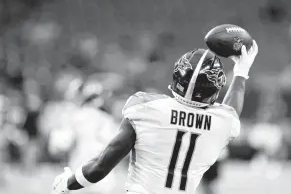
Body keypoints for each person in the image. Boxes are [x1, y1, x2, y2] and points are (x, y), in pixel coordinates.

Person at [52, 41, 258, 194]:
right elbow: (231, 112)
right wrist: (241, 72)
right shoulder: (222, 121)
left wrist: (67, 183)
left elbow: (100, 167)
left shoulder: (145, 107)